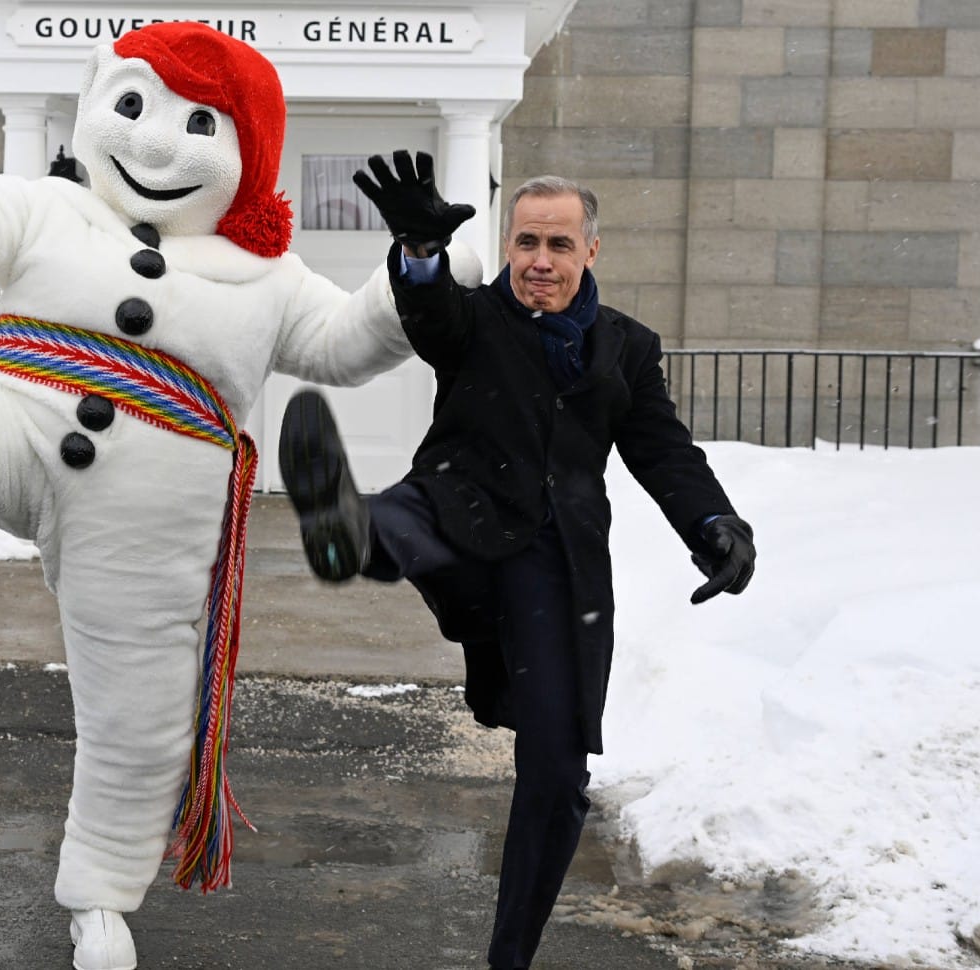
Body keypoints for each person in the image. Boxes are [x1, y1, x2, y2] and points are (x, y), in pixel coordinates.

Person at [0, 24, 479, 970]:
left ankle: (101, 905)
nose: (153, 144)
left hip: (147, 513)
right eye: (133, 107)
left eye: (198, 124)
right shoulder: (51, 211)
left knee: (139, 712)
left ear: (248, 157)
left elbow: (350, 345)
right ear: (94, 106)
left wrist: (421, 264)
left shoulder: (270, 279)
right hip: (16, 418)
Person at [277, 154, 756, 969]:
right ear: (508, 245)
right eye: (526, 242)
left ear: (590, 252)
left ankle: (511, 956)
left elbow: (661, 450)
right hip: (458, 510)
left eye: (558, 244)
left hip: (557, 568)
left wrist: (713, 521)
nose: (539, 260)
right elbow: (429, 316)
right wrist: (420, 254)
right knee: (401, 519)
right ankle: (346, 533)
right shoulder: (475, 321)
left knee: (558, 777)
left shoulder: (628, 350)